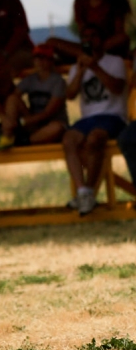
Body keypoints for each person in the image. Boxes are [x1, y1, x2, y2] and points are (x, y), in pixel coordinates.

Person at [63, 24, 128, 216]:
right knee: (69, 140)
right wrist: (82, 70)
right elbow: (70, 94)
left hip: (113, 116)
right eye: (85, 37)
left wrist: (95, 67)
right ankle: (83, 190)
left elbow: (117, 87)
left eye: (93, 36)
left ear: (102, 40)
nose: (89, 40)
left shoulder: (115, 62)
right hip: (88, 118)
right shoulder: (78, 66)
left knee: (95, 139)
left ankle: (89, 192)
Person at [49, 0, 132, 60]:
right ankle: (89, 55)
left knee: (122, 38)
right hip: (88, 45)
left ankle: (91, 55)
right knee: (51, 42)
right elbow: (83, 32)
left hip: (108, 46)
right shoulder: (80, 3)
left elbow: (119, 33)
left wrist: (100, 45)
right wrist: (89, 43)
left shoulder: (115, 1)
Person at [0, 44, 67, 149]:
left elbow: (48, 113)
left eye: (43, 58)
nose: (39, 62)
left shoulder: (58, 81)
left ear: (51, 61)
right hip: (32, 124)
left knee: (57, 127)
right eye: (36, 58)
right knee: (12, 99)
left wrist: (22, 122)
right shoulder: (30, 79)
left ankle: (23, 141)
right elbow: (12, 98)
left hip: (50, 123)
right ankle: (7, 135)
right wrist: (5, 118)